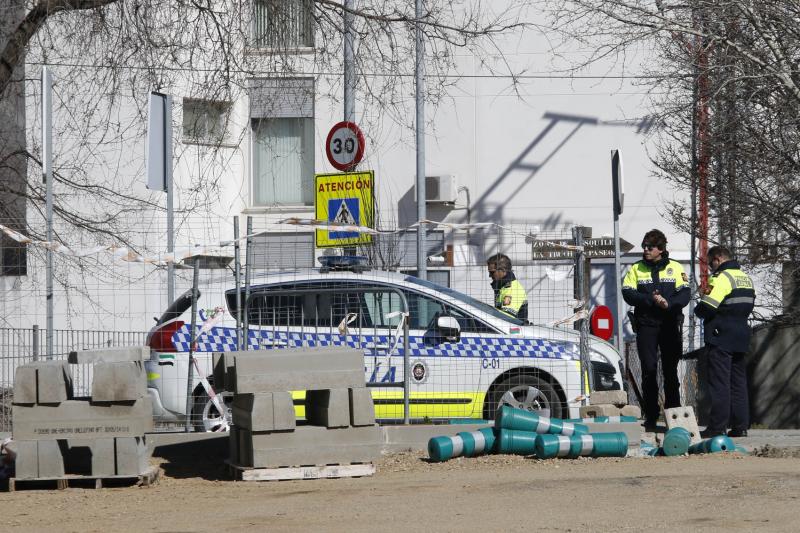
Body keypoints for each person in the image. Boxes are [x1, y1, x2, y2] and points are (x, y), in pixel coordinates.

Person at [622, 229, 690, 429]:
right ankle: (651, 415)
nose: (646, 250)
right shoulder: (636, 268)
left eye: (650, 247)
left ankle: (673, 415)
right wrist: (650, 300)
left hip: (669, 325)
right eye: (644, 246)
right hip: (646, 325)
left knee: (670, 371)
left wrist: (668, 304)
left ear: (660, 249)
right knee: (648, 370)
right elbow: (627, 293)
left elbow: (685, 294)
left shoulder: (675, 267)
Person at [694, 245, 755, 438]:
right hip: (741, 335)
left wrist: (699, 305)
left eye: (710, 263)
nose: (710, 268)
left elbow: (707, 307)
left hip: (721, 336)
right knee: (738, 383)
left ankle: (717, 427)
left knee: (720, 383)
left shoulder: (721, 278)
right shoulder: (745, 278)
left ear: (718, 259)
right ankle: (740, 427)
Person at [487, 253, 528, 321]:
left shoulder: (512, 290)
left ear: (503, 270)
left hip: (511, 328)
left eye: (492, 272)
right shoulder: (503, 287)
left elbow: (505, 320)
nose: (490, 275)